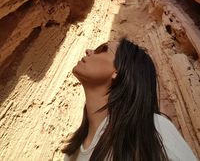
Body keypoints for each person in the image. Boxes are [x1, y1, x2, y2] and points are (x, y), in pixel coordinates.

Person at [61, 37, 198, 161]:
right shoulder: (73, 153)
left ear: (119, 70)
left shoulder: (152, 128)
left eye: (102, 49)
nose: (89, 51)